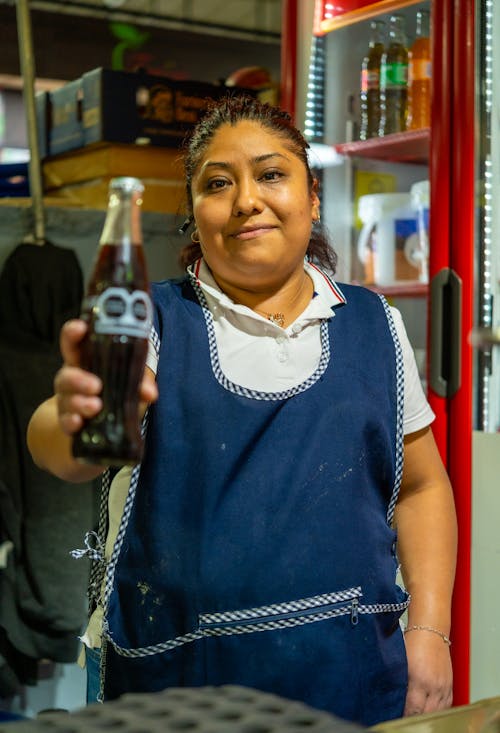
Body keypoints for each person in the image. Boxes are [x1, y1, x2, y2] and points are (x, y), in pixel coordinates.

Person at [26, 94, 457, 727]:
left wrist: (431, 631)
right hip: (178, 687)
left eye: (271, 175)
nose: (246, 200)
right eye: (218, 184)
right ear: (195, 214)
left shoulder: (376, 325)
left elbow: (421, 488)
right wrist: (68, 415)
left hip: (353, 675)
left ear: (312, 198)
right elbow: (65, 451)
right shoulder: (150, 322)